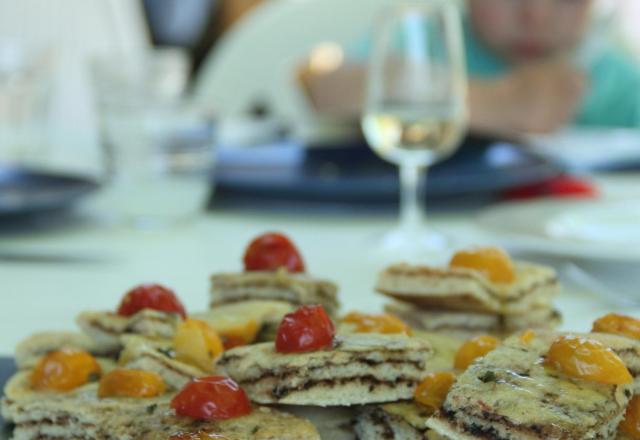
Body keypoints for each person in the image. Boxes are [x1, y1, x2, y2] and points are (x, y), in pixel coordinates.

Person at [300, 0, 640, 136]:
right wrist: (497, 102)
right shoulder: (431, 38)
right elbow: (328, 89)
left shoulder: (612, 75)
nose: (536, 14)